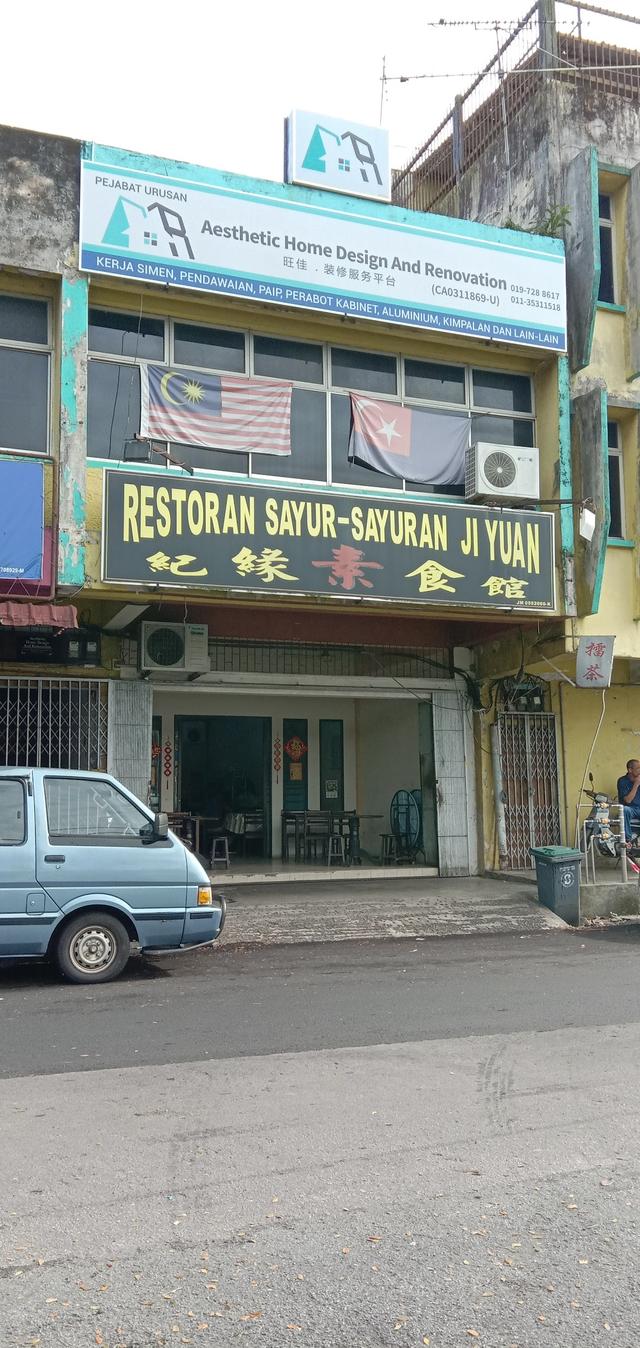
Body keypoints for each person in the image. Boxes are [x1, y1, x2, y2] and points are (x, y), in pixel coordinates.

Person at [617, 759, 640, 843]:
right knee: (625, 810)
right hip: (631, 809)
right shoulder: (622, 781)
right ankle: (627, 841)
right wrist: (636, 784)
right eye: (638, 768)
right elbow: (628, 800)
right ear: (630, 770)